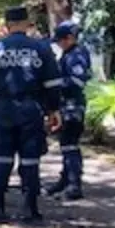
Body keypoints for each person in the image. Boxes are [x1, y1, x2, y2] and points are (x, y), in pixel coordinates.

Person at [0, 7, 63, 223]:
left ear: (7, 24)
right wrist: (53, 110)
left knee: (1, 157)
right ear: (27, 23)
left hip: (4, 108)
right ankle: (30, 209)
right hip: (31, 109)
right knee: (31, 159)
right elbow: (52, 84)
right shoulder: (41, 48)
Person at [47, 22, 91, 200]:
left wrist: (56, 84)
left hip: (73, 106)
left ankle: (74, 185)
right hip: (66, 106)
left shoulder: (76, 56)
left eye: (61, 40)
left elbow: (77, 81)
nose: (58, 44)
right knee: (65, 144)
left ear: (70, 38)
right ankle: (65, 180)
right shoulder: (68, 54)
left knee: (70, 144)